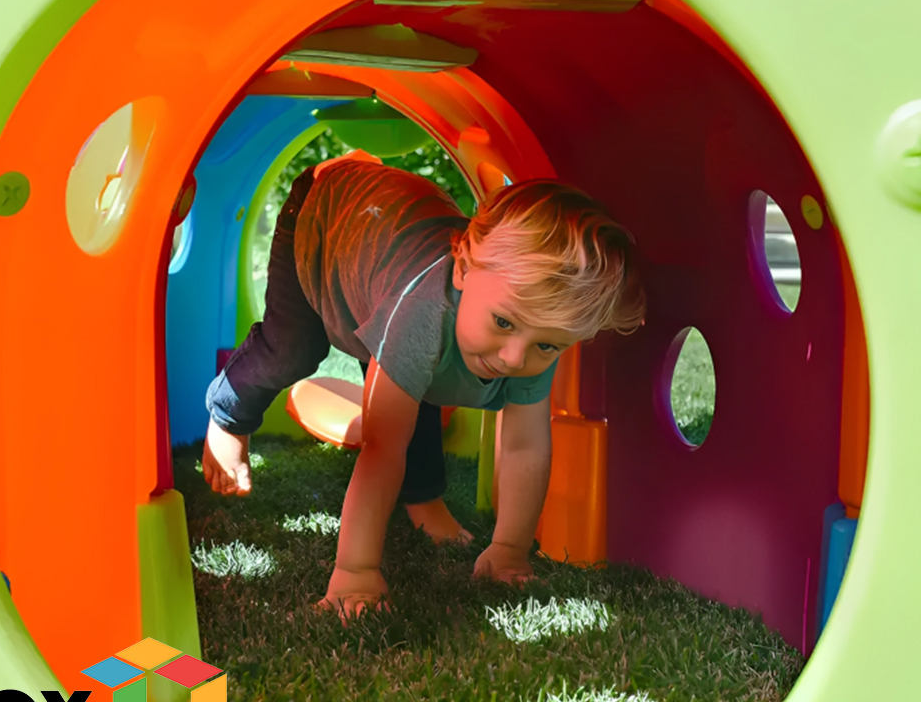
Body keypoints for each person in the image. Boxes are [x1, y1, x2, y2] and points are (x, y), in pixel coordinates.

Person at [202, 150, 644, 617]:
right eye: (503, 322)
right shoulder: (422, 313)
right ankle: (229, 413)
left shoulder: (536, 325)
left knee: (421, 383)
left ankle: (423, 499)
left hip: (385, 252)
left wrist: (509, 551)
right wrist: (355, 573)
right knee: (292, 348)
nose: (515, 358)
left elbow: (524, 446)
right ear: (463, 269)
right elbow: (382, 447)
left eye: (548, 346)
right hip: (326, 214)